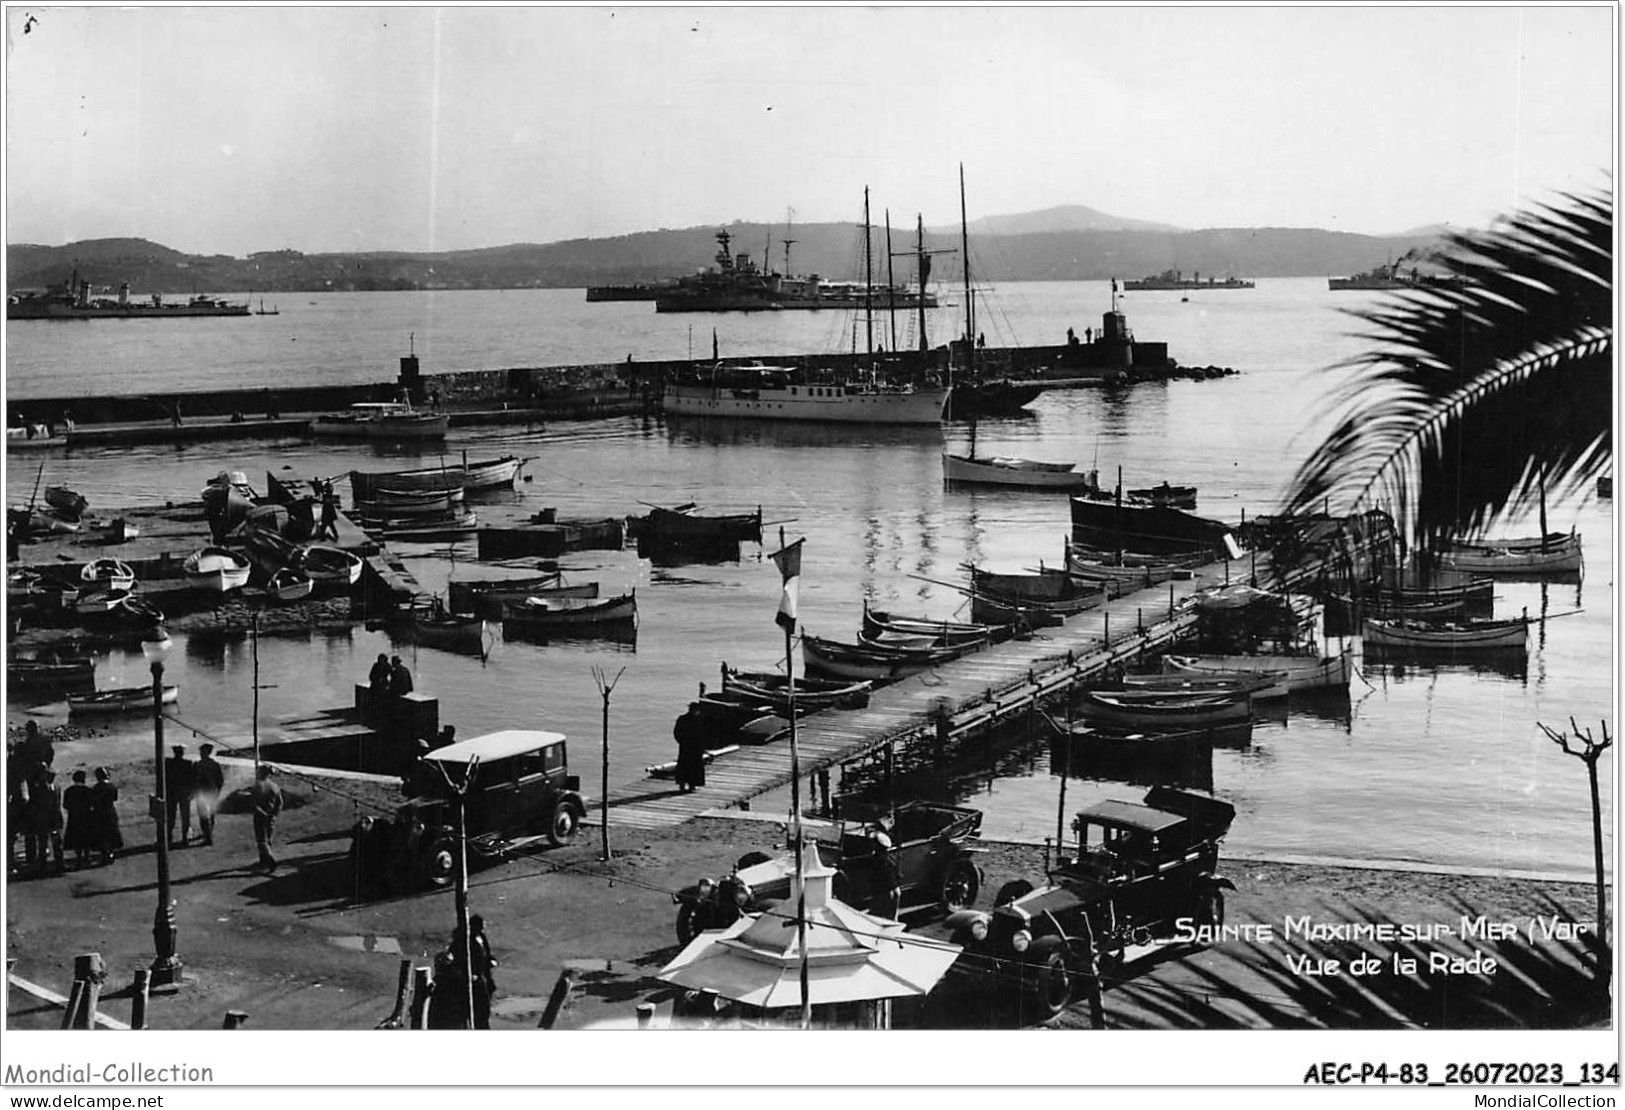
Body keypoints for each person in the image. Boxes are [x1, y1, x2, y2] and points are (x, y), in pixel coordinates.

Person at [26, 768, 64, 876]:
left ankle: (51, 866)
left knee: (48, 844)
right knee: (49, 844)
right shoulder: (54, 787)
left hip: (47, 820)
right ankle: (51, 866)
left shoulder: (41, 789)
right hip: (49, 820)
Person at [251, 764, 283, 872]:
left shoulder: (258, 786)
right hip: (271, 816)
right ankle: (263, 860)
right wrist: (274, 814)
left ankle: (270, 860)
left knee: (261, 840)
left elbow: (254, 802)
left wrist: (259, 811)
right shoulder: (275, 786)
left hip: (261, 815)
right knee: (268, 838)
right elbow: (280, 803)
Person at [164, 744, 196, 848]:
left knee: (171, 817)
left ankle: (169, 838)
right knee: (184, 817)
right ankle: (184, 838)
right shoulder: (187, 764)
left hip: (173, 793)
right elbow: (192, 780)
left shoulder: (168, 763)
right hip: (183, 793)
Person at [194, 743, 225, 847]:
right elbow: (220, 781)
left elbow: (194, 780)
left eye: (202, 752)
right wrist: (218, 793)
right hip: (211, 793)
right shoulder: (215, 765)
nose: (201, 754)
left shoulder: (198, 765)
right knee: (210, 815)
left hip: (203, 794)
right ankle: (207, 834)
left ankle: (207, 837)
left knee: (204, 816)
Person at [89, 767, 122, 865]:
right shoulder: (112, 786)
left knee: (102, 835)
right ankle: (110, 852)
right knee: (111, 833)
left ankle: (105, 853)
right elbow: (114, 798)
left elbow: (93, 801)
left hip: (99, 813)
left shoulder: (95, 788)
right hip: (110, 811)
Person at [63, 769, 95, 868]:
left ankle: (79, 858)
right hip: (86, 817)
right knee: (86, 837)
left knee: (76, 839)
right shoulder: (88, 790)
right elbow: (92, 804)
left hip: (74, 817)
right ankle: (87, 856)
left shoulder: (69, 791)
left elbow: (65, 805)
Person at [672, 708, 706, 793]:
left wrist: (681, 741)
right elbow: (703, 734)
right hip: (695, 747)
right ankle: (692, 785)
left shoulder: (682, 719)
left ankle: (682, 784)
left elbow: (677, 732)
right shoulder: (698, 720)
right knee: (694, 766)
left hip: (685, 747)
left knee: (683, 765)